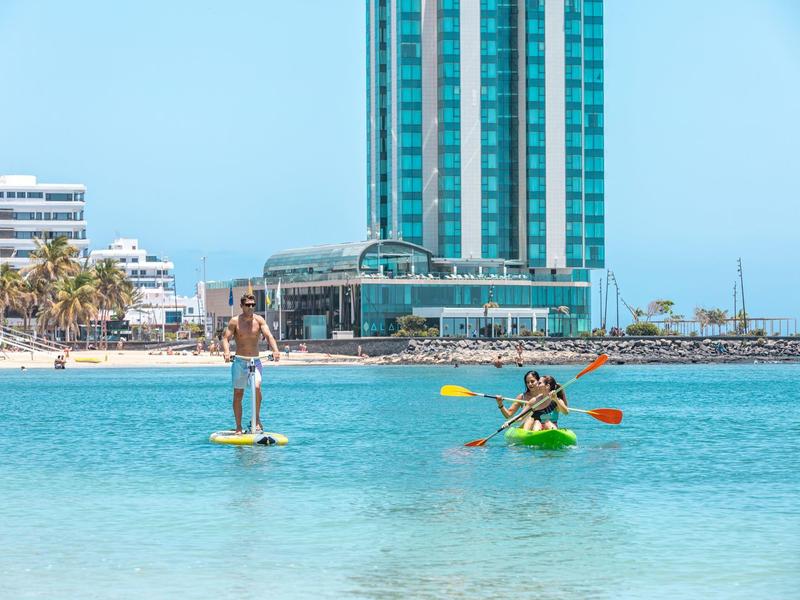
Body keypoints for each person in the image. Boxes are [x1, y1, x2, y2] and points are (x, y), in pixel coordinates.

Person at [222, 293, 281, 434]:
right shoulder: (234, 321)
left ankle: (256, 419)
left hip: (255, 361)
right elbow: (225, 338)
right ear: (242, 306)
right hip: (239, 361)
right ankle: (238, 427)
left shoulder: (259, 320)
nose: (251, 307)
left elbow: (269, 336)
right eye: (248, 305)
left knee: (257, 387)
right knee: (238, 393)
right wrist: (226, 352)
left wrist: (275, 350)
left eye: (253, 305)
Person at [496, 371, 569, 431]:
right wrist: (509, 422)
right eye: (527, 382)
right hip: (534, 426)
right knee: (534, 421)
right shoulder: (533, 401)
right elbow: (520, 416)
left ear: (547, 386)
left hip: (551, 427)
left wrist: (556, 399)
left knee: (547, 423)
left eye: (538, 383)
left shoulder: (556, 399)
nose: (530, 384)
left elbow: (566, 412)